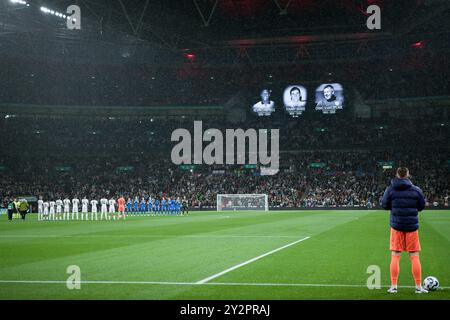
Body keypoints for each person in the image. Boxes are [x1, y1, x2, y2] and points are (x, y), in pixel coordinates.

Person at [382, 167, 427, 294]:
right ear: (408, 174)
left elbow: (385, 205)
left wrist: (395, 207)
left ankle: (394, 286)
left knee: (395, 256)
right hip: (412, 226)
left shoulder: (390, 189)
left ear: (397, 175)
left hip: (396, 226)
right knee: (414, 256)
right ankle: (418, 287)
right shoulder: (416, 190)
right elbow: (422, 206)